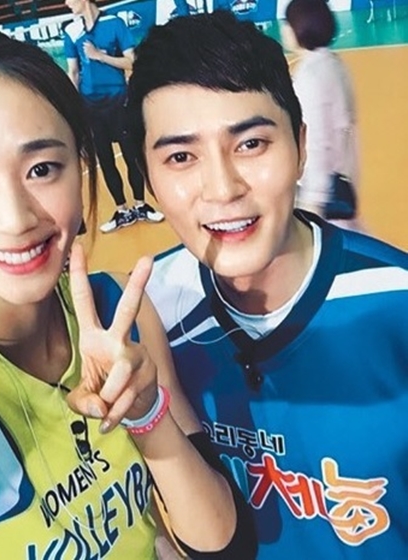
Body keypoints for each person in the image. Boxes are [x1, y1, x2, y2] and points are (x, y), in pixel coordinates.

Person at [0, 32, 257, 559]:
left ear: (81, 162)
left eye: (42, 169)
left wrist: (146, 413)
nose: (15, 218)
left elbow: (224, 546)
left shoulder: (117, 313)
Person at [126, 11, 408, 559]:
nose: (222, 188)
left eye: (251, 144)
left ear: (301, 146)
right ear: (148, 178)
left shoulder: (394, 306)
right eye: (181, 157)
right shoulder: (143, 318)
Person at [63, 0, 164, 233]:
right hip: (91, 106)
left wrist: (100, 56)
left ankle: (140, 205)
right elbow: (73, 72)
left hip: (119, 101)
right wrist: (73, 108)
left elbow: (132, 62)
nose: (66, 3)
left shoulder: (114, 23)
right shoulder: (71, 30)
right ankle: (122, 210)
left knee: (131, 155)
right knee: (106, 160)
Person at [282, 0, 362, 230]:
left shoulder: (310, 77)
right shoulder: (334, 64)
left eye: (288, 23)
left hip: (324, 192)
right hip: (342, 178)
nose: (284, 29)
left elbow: (317, 141)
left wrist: (313, 202)